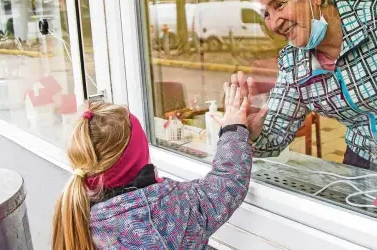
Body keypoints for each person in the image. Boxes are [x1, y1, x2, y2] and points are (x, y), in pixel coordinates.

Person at [232, 0, 377, 173]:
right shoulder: (293, 61)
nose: (275, 23)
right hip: (365, 158)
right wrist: (252, 131)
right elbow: (277, 132)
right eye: (266, 14)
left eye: (279, 5)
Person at [51, 84, 251, 250]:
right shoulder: (173, 207)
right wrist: (233, 129)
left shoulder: (80, 218)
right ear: (138, 155)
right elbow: (227, 183)